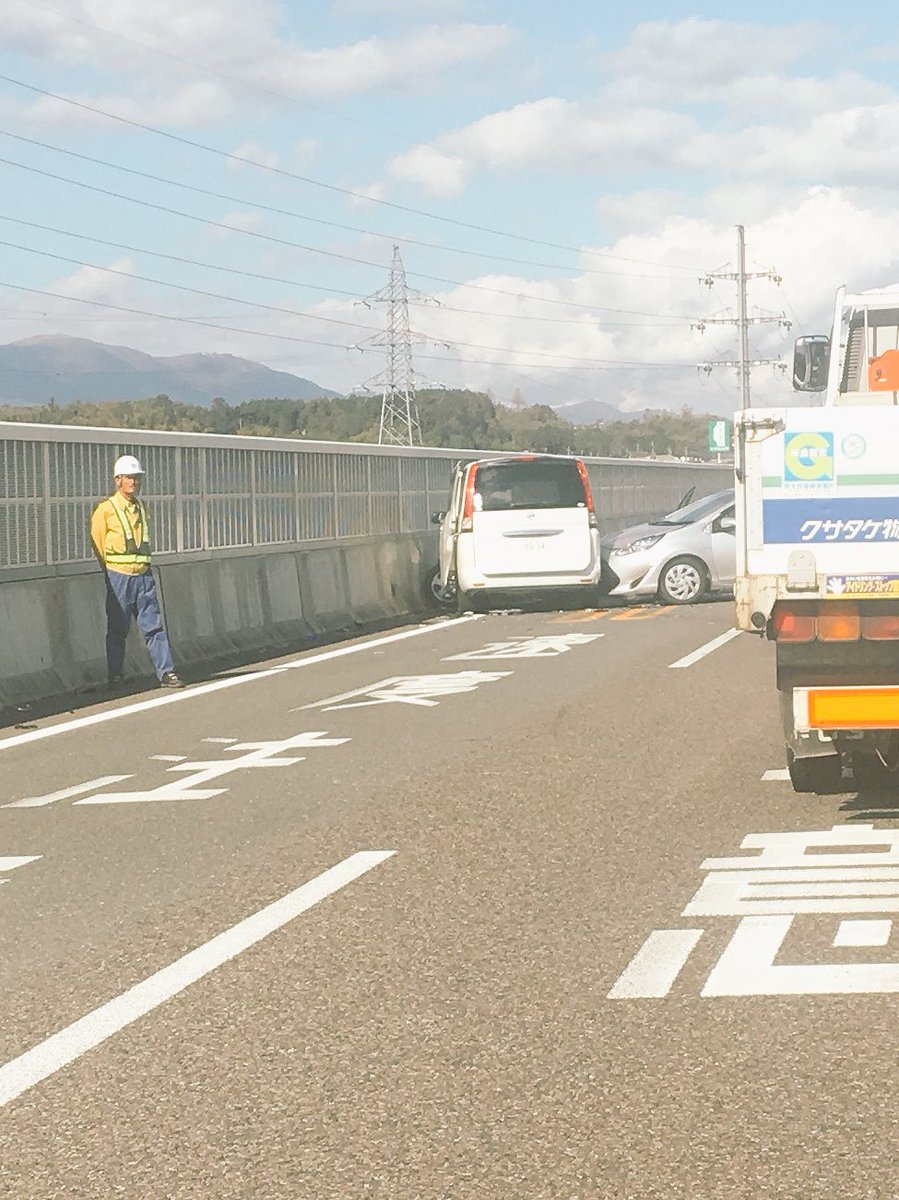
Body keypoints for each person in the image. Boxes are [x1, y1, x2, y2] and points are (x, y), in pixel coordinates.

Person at [90, 455, 184, 689]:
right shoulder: (106, 509)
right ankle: (116, 675)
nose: (134, 482)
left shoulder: (142, 507)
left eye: (137, 478)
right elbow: (98, 542)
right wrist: (110, 569)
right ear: (118, 480)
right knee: (117, 629)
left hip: (143, 575)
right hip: (118, 576)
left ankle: (166, 672)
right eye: (130, 477)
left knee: (154, 627)